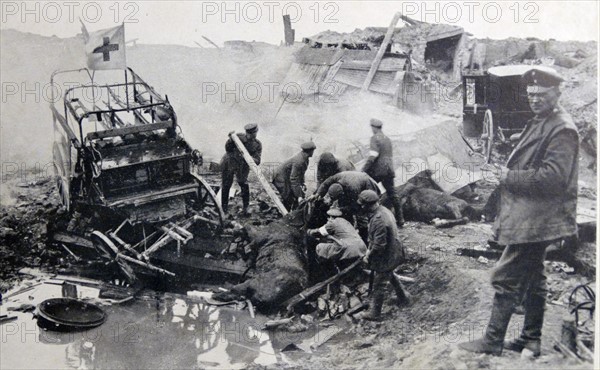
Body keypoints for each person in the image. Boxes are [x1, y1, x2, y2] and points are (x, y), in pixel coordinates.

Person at [459, 68, 579, 356]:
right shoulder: (544, 120)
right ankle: (531, 339)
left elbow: (552, 179)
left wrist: (507, 176)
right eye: (531, 94)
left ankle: (492, 341)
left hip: (537, 218)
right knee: (534, 277)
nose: (535, 99)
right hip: (533, 215)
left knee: (506, 276)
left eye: (542, 95)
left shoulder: (562, 128)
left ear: (557, 94)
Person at [355, 190, 409, 321]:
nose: (361, 207)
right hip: (394, 250)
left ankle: (375, 313)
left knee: (379, 282)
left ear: (369, 204)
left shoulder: (378, 220)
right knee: (388, 273)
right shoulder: (383, 210)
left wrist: (368, 255)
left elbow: (379, 245)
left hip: (387, 254)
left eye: (363, 205)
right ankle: (404, 297)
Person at [361, 118, 404, 227]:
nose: (371, 130)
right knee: (393, 194)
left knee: (367, 191)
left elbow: (373, 156)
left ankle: (368, 219)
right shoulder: (387, 139)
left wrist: (363, 170)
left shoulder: (374, 138)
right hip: (389, 169)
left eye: (372, 128)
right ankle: (400, 220)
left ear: (374, 128)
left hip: (378, 171)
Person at [220, 123, 262, 215]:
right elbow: (228, 149)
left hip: (243, 165)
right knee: (226, 185)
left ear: (256, 132)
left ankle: (246, 208)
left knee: (243, 183)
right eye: (249, 134)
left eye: (254, 133)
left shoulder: (257, 144)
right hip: (230, 161)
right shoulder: (238, 137)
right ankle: (224, 209)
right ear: (246, 133)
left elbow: (258, 160)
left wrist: (250, 158)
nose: (251, 136)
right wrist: (230, 140)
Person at [312, 171, 380, 227]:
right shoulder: (336, 178)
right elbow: (326, 183)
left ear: (342, 194)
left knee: (365, 211)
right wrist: (318, 193)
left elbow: (356, 206)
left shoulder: (353, 190)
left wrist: (341, 209)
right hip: (353, 178)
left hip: (367, 184)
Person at [272, 141, 316, 210]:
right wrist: (299, 196)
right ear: (310, 151)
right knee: (287, 197)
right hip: (281, 178)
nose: (313, 152)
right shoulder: (299, 161)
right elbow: (294, 179)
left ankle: (293, 210)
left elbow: (300, 174)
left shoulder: (305, 158)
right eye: (313, 151)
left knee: (296, 195)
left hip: (288, 176)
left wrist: (302, 184)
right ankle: (284, 214)